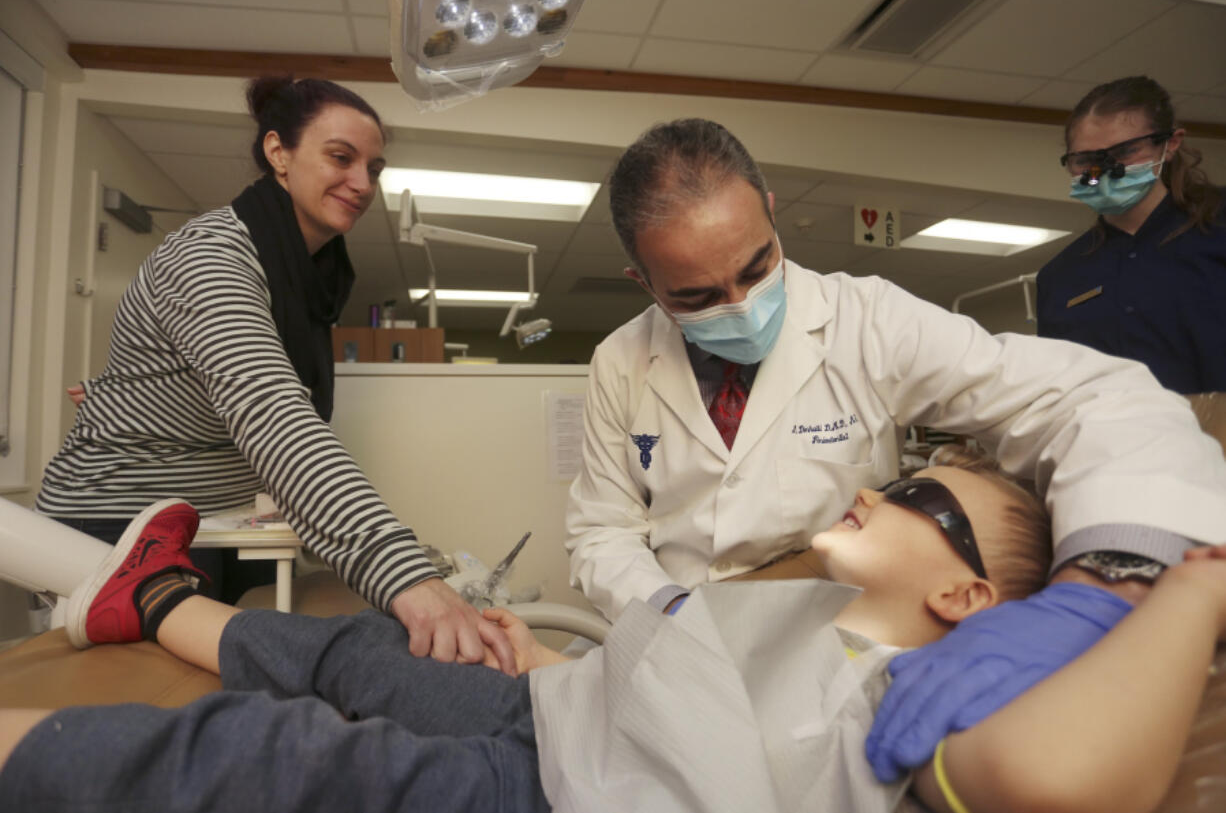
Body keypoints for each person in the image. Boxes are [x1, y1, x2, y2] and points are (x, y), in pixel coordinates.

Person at [563, 118, 1226, 777]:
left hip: (831, 643)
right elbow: (602, 529)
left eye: (758, 265)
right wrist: (672, 616)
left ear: (770, 214)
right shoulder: (620, 361)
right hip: (676, 641)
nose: (740, 306)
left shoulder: (869, 322)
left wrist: (1105, 579)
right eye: (697, 296)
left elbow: (1096, 398)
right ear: (643, 281)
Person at [12, 450, 1214, 813]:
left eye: (927, 503)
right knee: (357, 650)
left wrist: (1190, 587)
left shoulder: (933, 683)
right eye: (909, 470)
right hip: (552, 708)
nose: (889, 490)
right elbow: (673, 687)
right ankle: (149, 599)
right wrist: (529, 652)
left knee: (263, 759)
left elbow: (1056, 775)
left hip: (564, 798)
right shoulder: (798, 602)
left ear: (963, 597)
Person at [34, 76, 512, 673]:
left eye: (375, 167)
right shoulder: (210, 255)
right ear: (278, 152)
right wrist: (405, 574)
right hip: (120, 528)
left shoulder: (314, 278)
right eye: (341, 157)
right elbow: (274, 416)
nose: (363, 184)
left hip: (216, 520)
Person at [1037, 75, 1225, 396]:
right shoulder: (1060, 278)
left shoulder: (1217, 228)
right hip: (1110, 442)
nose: (1104, 171)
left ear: (1171, 144)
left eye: (1125, 151)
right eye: (1086, 160)